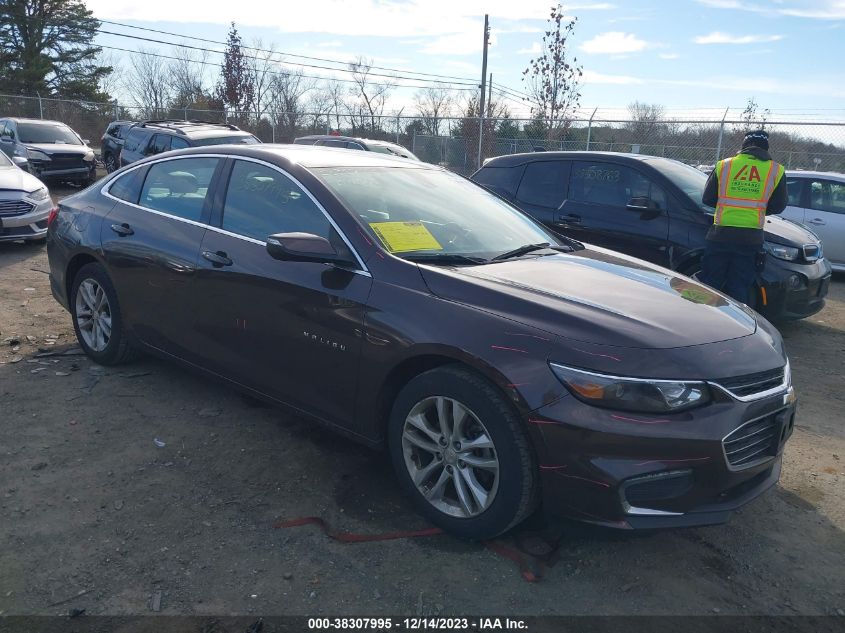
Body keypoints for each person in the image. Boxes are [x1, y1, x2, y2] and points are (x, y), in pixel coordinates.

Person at [699, 130, 787, 305]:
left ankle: (705, 324)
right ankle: (737, 327)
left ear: (744, 146)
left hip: (721, 234)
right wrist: (757, 209)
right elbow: (778, 205)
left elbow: (707, 199)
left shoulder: (724, 165)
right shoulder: (776, 170)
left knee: (710, 283)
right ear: (766, 148)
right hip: (750, 237)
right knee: (740, 286)